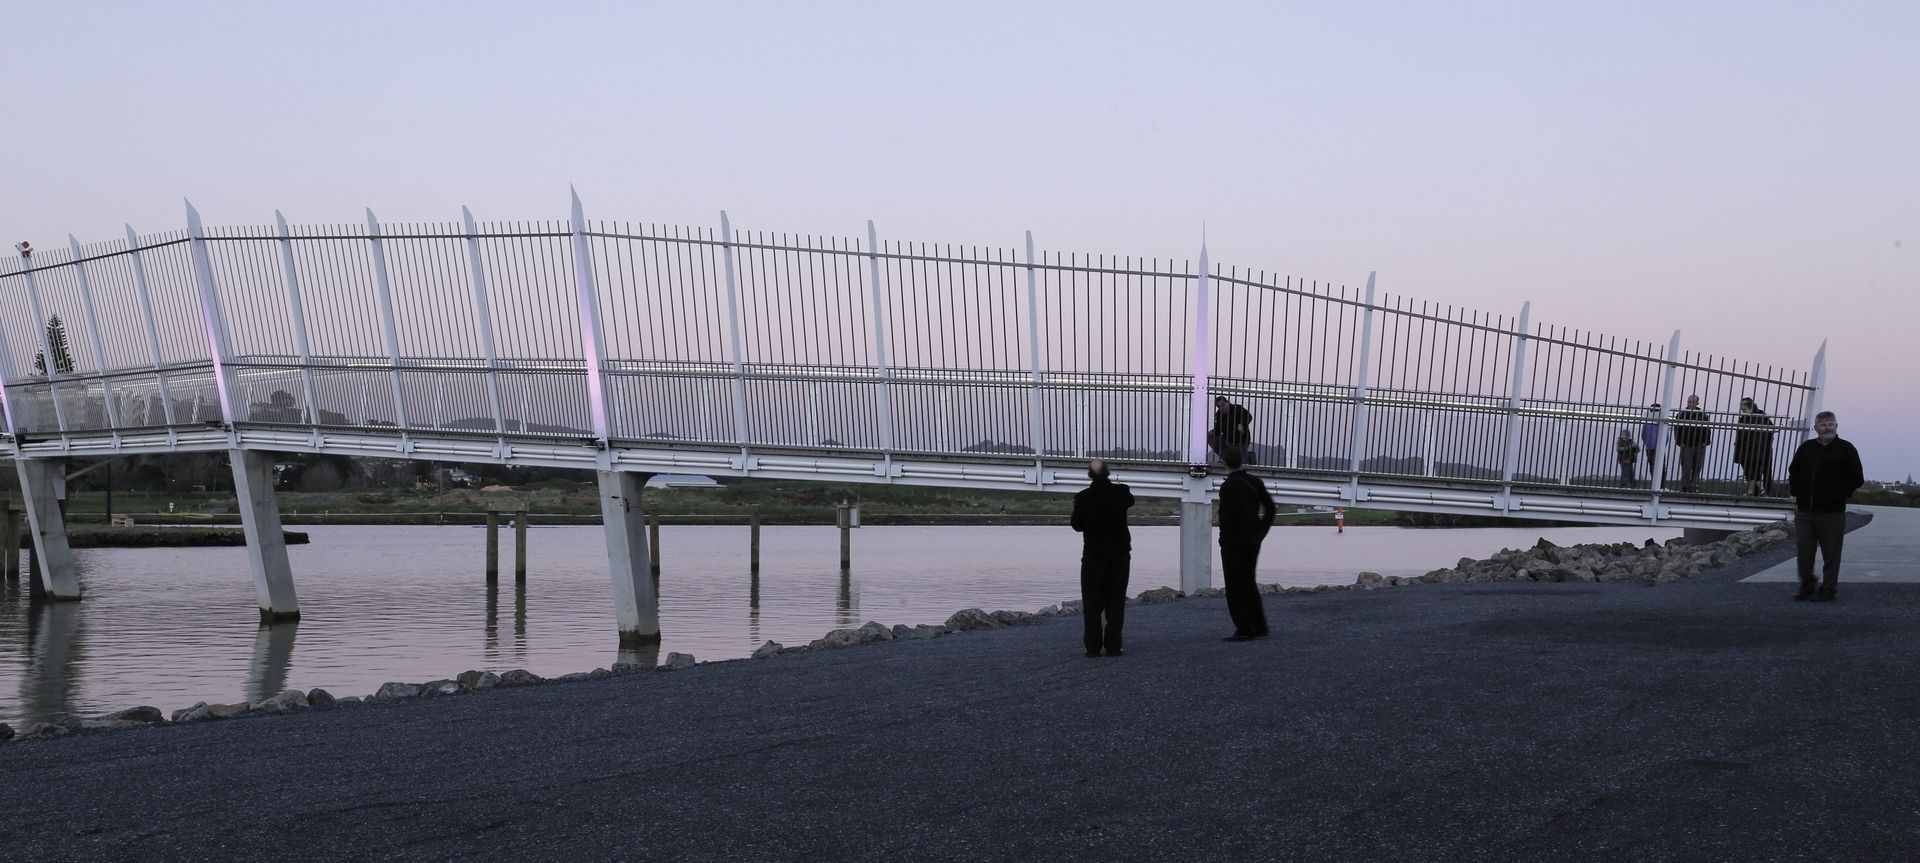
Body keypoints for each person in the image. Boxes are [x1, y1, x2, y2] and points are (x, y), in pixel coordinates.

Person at [1787, 411, 1863, 602]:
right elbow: (1793, 470)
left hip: (1832, 512)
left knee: (1831, 553)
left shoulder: (1846, 449)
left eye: (1831, 424)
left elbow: (1856, 478)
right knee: (1804, 551)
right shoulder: (1806, 448)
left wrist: (1839, 495)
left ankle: (1828, 589)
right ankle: (1807, 584)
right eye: (1823, 425)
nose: (1827, 427)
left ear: (1837, 425)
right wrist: (1797, 491)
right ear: (1816, 428)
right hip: (1805, 510)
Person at [1070, 459, 1135, 656]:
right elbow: (1130, 502)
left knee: (1091, 603)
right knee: (1116, 601)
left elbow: (1077, 525)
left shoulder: (1083, 497)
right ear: (1108, 473)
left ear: (1090, 475)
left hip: (1093, 555)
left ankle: (1092, 646)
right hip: (1119, 554)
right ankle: (1114, 645)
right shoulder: (1122, 492)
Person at [1216, 445, 1274, 641]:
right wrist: (1262, 530)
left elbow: (1226, 517)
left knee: (1234, 586)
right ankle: (1259, 625)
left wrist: (1223, 540)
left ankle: (1243, 626)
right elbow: (1271, 508)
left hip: (1233, 543)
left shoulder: (1228, 486)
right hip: (1253, 540)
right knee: (1248, 582)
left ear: (1224, 462)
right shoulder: (1255, 481)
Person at [1734, 397, 1776, 496]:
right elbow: (1771, 430)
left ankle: (1755, 490)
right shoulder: (1761, 416)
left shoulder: (1750, 418)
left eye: (1743, 407)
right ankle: (1754, 490)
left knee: (1751, 471)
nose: (1741, 409)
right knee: (1752, 471)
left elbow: (1742, 434)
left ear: (1749, 406)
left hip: (1751, 449)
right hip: (1754, 450)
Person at [1671, 395, 1712, 492]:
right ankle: (1685, 486)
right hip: (1686, 445)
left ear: (1697, 403)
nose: (1690, 404)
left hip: (1699, 445)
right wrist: (1680, 442)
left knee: (1697, 466)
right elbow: (1677, 429)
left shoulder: (1702, 415)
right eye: (1689, 402)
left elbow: (1707, 429)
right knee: (1686, 466)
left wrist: (1705, 442)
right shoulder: (1681, 414)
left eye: (1693, 402)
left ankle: (1694, 486)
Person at [1209, 396, 1253, 464]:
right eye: (1219, 407)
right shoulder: (1219, 414)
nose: (1222, 408)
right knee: (1212, 438)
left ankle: (1249, 457)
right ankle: (1226, 459)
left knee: (1238, 461)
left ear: (1228, 402)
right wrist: (1211, 433)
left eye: (1223, 405)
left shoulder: (1237, 408)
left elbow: (1249, 416)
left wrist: (1242, 424)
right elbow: (1218, 429)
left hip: (1241, 440)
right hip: (1228, 440)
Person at [1640, 404, 1663, 485]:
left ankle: (1655, 483)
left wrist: (1647, 442)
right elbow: (1666, 436)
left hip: (1649, 447)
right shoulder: (1662, 422)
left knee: (1652, 466)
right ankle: (1660, 485)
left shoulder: (1647, 422)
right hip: (1659, 447)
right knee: (1660, 466)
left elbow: (1643, 435)